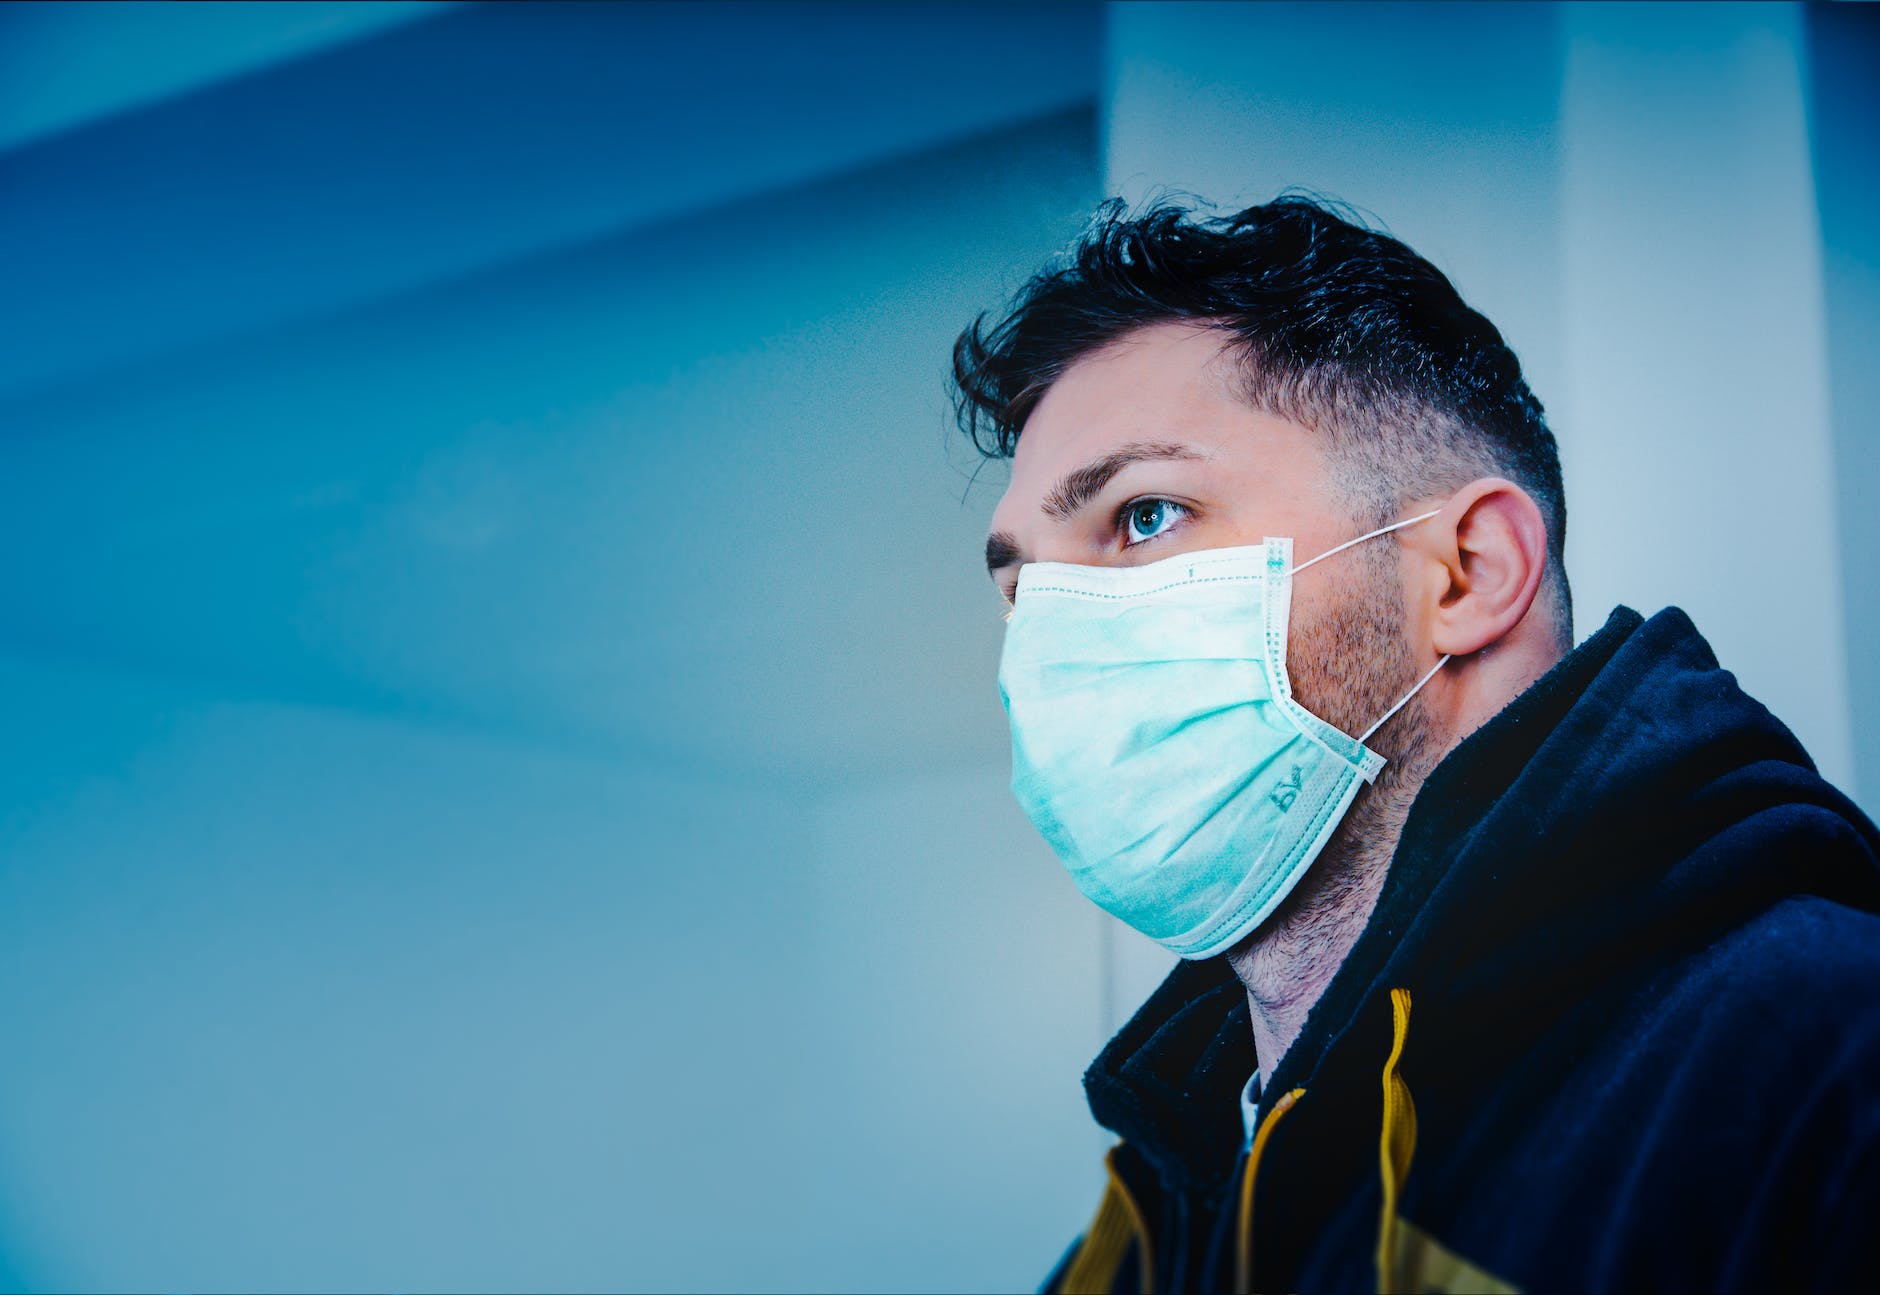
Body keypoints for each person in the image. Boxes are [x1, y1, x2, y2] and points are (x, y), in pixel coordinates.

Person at [949, 194, 1880, 1294]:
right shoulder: (1154, 1213)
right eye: (1023, 584)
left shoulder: (1825, 1068)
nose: (1053, 636)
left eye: (1144, 514)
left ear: (1467, 571)